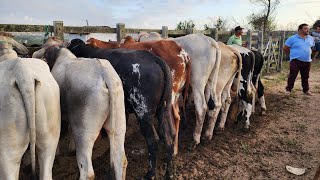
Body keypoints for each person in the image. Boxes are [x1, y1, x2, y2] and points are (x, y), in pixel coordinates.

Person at [283, 23, 315, 96]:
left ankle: (306, 90)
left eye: (308, 29)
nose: (308, 30)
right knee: (292, 75)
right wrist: (292, 55)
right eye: (305, 28)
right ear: (300, 30)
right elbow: (285, 48)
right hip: (295, 60)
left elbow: (312, 47)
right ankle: (288, 90)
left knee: (305, 76)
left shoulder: (310, 38)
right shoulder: (292, 38)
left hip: (307, 61)